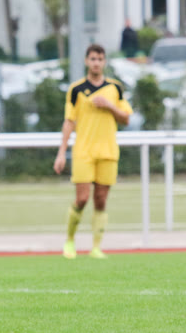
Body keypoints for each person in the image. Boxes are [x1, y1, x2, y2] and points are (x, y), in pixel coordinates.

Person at [53, 43, 132, 260]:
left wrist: (109, 105)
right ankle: (70, 240)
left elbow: (125, 118)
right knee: (82, 199)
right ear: (87, 61)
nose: (96, 63)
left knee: (101, 200)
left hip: (108, 151)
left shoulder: (115, 88)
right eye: (93, 59)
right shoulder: (76, 89)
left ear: (104, 62)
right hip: (84, 151)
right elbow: (69, 121)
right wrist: (61, 152)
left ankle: (96, 247)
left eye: (100, 59)